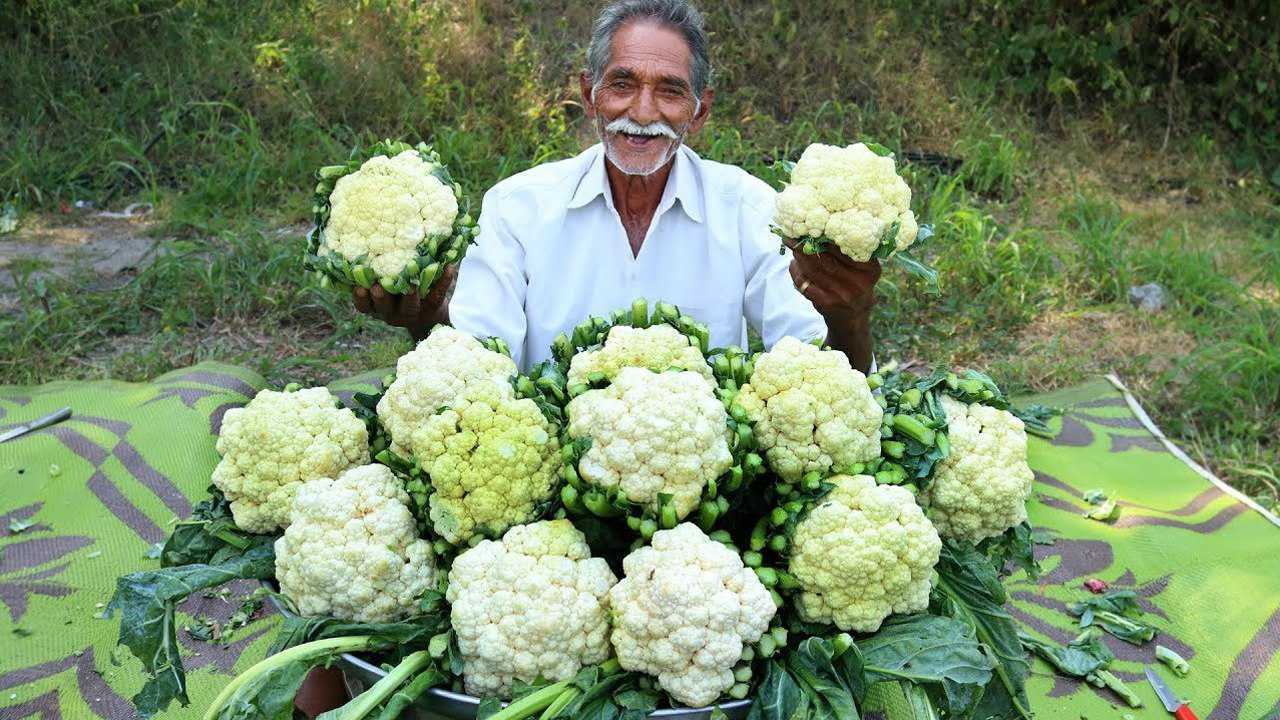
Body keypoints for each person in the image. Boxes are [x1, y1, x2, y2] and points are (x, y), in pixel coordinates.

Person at [351, 0, 881, 373]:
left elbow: (824, 368)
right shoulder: (518, 208)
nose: (643, 113)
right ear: (590, 94)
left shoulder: (750, 209)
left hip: (707, 491)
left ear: (699, 112)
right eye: (622, 84)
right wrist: (425, 322)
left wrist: (850, 315)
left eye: (670, 92)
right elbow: (478, 362)